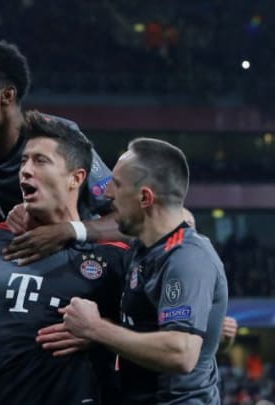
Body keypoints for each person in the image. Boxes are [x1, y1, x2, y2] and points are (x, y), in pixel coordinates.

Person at [0, 111, 128, 404]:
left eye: (40, 161)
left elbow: (155, 340)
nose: (25, 169)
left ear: (76, 178)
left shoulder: (117, 257)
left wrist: (102, 333)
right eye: (24, 160)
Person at [62, 137, 228, 404]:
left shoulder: (187, 258)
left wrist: (96, 329)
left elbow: (181, 353)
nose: (107, 194)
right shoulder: (143, 248)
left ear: (145, 197)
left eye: (116, 184)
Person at [0, 38, 123, 265]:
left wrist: (67, 230)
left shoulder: (60, 136)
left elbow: (126, 219)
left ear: (7, 96)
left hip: (79, 265)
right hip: (7, 271)